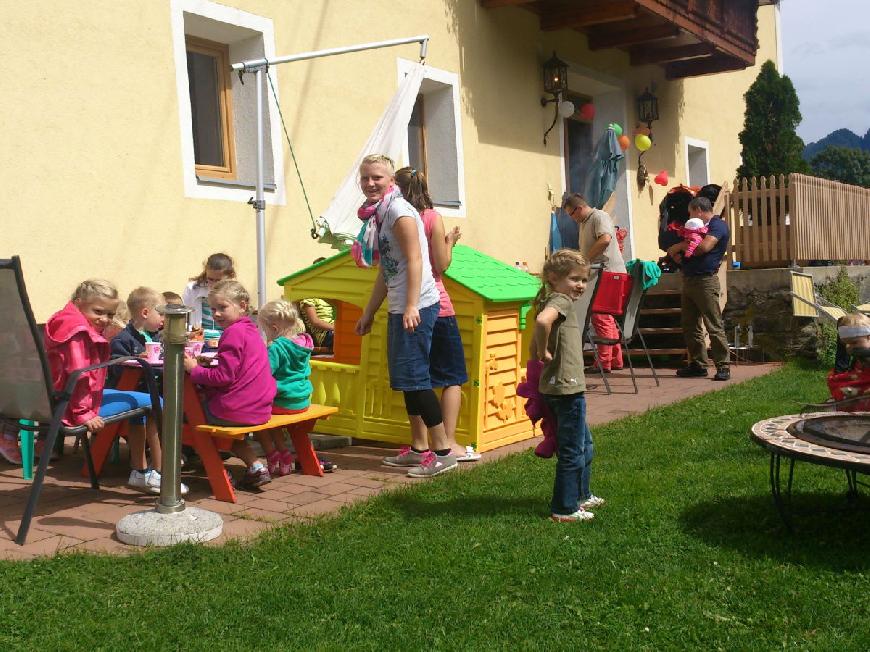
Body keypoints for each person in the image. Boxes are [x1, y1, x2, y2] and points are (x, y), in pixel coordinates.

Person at [353, 154, 457, 478]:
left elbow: (415, 260)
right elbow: (388, 268)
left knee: (416, 378)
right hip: (400, 305)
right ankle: (419, 450)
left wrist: (411, 305)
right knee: (406, 380)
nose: (371, 183)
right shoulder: (382, 213)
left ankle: (443, 454)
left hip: (417, 306)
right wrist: (369, 311)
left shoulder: (398, 211)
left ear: (391, 182)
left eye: (377, 178)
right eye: (366, 178)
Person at [42, 279, 183, 493]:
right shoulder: (77, 332)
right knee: (156, 401)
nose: (105, 319)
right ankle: (160, 474)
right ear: (78, 302)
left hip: (60, 399)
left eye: (109, 314)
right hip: (73, 406)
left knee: (137, 401)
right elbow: (79, 375)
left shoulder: (64, 320)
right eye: (98, 311)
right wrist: (83, 414)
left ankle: (141, 472)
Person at [381, 166, 478, 466]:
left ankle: (420, 443)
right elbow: (441, 264)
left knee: (416, 377)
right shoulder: (431, 218)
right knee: (451, 377)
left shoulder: (395, 216)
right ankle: (447, 443)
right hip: (437, 305)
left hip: (409, 304)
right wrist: (450, 241)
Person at [183, 280, 276, 489]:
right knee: (221, 421)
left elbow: (223, 377)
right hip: (259, 408)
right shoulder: (251, 331)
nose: (216, 314)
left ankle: (214, 468)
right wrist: (213, 362)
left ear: (242, 306)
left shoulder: (232, 333)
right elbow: (238, 368)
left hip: (237, 410)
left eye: (222, 307)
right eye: (213, 309)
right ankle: (256, 467)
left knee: (186, 414)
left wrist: (193, 369)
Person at [531, 249, 603, 522]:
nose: (581, 286)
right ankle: (564, 508)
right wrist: (544, 353)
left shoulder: (553, 299)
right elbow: (542, 322)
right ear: (553, 278)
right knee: (573, 450)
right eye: (574, 279)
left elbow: (537, 328)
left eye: (584, 280)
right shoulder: (559, 300)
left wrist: (537, 354)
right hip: (566, 389)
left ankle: (582, 495)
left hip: (562, 387)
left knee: (585, 443)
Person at [667, 196, 731, 381]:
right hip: (689, 279)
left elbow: (703, 247)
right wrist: (679, 255)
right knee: (690, 325)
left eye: (691, 212)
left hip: (705, 280)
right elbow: (683, 251)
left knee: (713, 323)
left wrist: (680, 246)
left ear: (699, 210)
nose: (689, 217)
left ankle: (723, 365)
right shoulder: (694, 228)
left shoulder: (717, 225)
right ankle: (698, 364)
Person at [563, 193, 626, 374]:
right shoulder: (585, 222)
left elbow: (605, 239)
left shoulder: (598, 217)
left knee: (599, 316)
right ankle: (615, 359)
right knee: (606, 317)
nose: (572, 219)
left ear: (580, 208)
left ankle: (603, 363)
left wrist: (585, 260)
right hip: (604, 274)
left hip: (607, 273)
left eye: (572, 214)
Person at [256, 300, 315, 477]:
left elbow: (265, 374)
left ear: (273, 328)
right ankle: (285, 454)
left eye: (264, 330)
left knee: (256, 417)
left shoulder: (276, 347)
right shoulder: (303, 343)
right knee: (270, 416)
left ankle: (273, 453)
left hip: (284, 400)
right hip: (302, 399)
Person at [108, 287, 164, 389]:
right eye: (161, 314)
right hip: (132, 390)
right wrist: (136, 361)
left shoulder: (156, 336)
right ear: (145, 313)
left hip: (155, 388)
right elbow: (116, 369)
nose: (164, 319)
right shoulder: (122, 340)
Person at [182, 252, 236, 331]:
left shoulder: (235, 292)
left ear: (230, 277)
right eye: (210, 279)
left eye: (218, 280)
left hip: (225, 337)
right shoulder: (192, 289)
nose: (214, 284)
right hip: (199, 338)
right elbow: (184, 318)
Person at [827, 312, 870, 410]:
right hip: (860, 378)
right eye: (847, 344)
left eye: (854, 342)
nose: (850, 347)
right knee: (836, 382)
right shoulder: (858, 352)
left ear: (869, 337)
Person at [298, 262, 336, 351]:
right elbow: (315, 322)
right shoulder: (308, 296)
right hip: (324, 335)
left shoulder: (327, 296)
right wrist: (336, 328)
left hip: (333, 330)